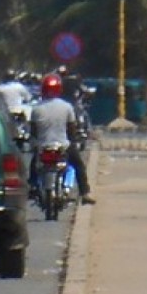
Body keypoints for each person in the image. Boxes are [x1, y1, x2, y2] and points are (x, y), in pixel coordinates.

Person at [29, 73, 94, 204]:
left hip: (43, 146)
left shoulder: (36, 109)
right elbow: (71, 129)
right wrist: (73, 141)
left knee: (33, 165)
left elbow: (34, 132)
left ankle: (33, 187)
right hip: (63, 145)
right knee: (78, 165)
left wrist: (35, 143)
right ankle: (85, 193)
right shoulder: (67, 107)